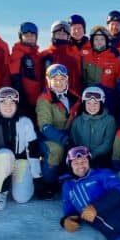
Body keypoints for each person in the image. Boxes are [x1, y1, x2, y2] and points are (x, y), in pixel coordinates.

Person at [0, 87, 42, 210]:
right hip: (0, 166)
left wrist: (37, 177)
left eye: (12, 103)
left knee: (22, 198)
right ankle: (0, 191)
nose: (8, 106)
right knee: (4, 153)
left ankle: (15, 183)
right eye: (4, 103)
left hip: (20, 162)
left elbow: (33, 151)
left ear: (16, 104)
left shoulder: (25, 122)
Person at [36, 64, 80, 194]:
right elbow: (45, 126)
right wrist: (65, 140)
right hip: (48, 137)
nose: (59, 83)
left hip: (67, 135)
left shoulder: (73, 96)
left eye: (62, 79)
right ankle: (48, 183)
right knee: (56, 150)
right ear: (49, 81)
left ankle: (76, 178)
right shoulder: (44, 100)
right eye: (55, 80)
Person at [70, 86, 117, 168]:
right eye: (88, 103)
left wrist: (92, 154)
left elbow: (108, 143)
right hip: (81, 157)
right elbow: (74, 141)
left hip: (101, 158)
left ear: (101, 103)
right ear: (84, 104)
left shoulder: (109, 120)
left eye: (95, 103)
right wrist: (81, 155)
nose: (92, 107)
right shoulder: (77, 121)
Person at [82, 26, 120, 117]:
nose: (99, 42)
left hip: (108, 99)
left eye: (102, 39)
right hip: (89, 99)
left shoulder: (114, 57)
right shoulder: (86, 56)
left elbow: (118, 80)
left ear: (107, 40)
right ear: (92, 41)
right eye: (96, 39)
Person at [39, 20, 83, 97]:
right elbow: (39, 79)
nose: (61, 36)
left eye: (64, 34)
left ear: (68, 37)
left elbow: (76, 82)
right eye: (58, 34)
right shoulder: (44, 55)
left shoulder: (72, 58)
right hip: (47, 98)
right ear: (53, 35)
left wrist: (76, 101)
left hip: (66, 98)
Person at [10, 21, 43, 111]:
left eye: (32, 35)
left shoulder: (38, 55)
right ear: (21, 37)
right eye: (26, 35)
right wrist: (22, 101)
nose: (29, 37)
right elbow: (15, 79)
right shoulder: (18, 54)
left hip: (39, 101)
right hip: (25, 103)